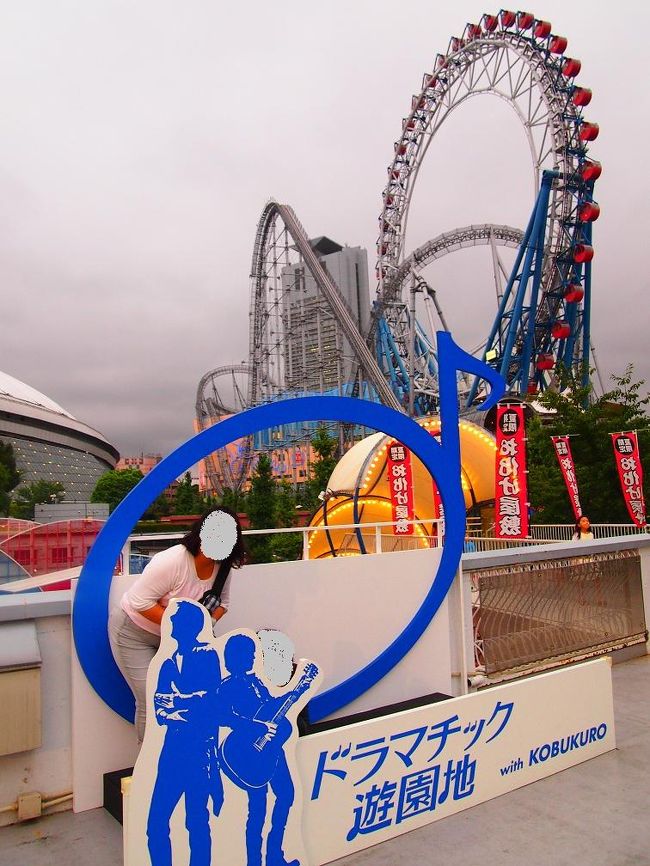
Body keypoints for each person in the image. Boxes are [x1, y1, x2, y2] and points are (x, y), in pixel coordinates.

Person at [108, 506, 246, 742]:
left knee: (195, 696)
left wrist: (204, 625)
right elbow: (139, 601)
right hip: (134, 633)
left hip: (178, 643)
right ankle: (147, 768)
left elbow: (225, 603)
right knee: (151, 699)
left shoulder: (223, 567)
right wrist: (185, 627)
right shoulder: (173, 561)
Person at [218, 634, 318, 866]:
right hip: (245, 753)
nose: (252, 659)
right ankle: (254, 861)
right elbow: (222, 716)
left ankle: (275, 855)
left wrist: (298, 690)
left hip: (272, 751)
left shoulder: (258, 683)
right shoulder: (227, 686)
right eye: (249, 655)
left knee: (286, 795)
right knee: (258, 811)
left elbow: (274, 709)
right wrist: (254, 726)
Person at [147, 600, 223, 866]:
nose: (172, 623)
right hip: (171, 751)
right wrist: (181, 706)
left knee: (197, 822)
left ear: (191, 625)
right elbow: (159, 708)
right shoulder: (167, 663)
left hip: (200, 752)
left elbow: (212, 700)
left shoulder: (207, 655)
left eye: (177, 620)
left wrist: (178, 701)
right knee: (156, 822)